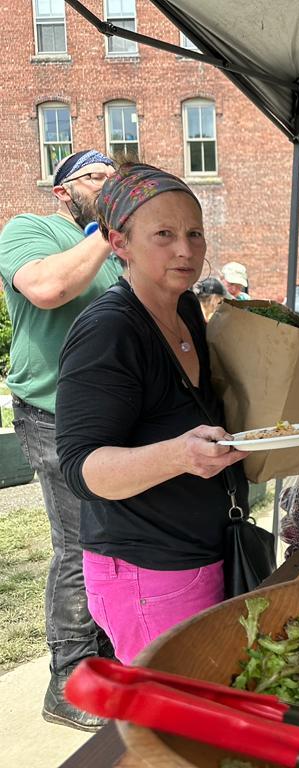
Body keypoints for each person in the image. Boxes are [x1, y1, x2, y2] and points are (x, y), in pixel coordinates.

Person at [55, 163, 248, 665]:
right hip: (148, 574)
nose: (185, 250)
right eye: (163, 234)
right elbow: (82, 468)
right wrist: (180, 455)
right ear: (120, 243)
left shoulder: (184, 308)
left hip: (206, 554)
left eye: (194, 233)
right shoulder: (109, 330)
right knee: (172, 724)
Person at [0, 149, 121, 731]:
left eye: (114, 178)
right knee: (79, 545)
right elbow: (48, 289)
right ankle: (68, 681)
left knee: (118, 541)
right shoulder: (30, 230)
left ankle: (109, 660)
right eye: (96, 177)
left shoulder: (116, 251)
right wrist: (108, 231)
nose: (108, 184)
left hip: (116, 419)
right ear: (62, 190)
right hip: (53, 414)